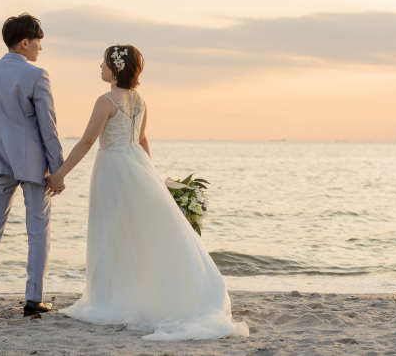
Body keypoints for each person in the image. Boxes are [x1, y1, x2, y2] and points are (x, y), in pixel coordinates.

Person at [46, 45, 248, 340]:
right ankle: (132, 292)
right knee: (132, 233)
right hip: (137, 167)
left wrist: (60, 174)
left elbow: (87, 142)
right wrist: (149, 176)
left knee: (110, 231)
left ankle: (110, 296)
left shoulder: (106, 101)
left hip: (113, 170)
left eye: (104, 62)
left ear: (116, 67)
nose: (100, 67)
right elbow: (141, 140)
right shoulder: (140, 100)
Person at [0, 13, 64, 321]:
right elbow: (48, 127)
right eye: (38, 42)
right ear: (24, 42)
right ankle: (33, 299)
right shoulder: (37, 75)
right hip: (35, 165)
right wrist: (57, 168)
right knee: (38, 231)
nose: (40, 48)